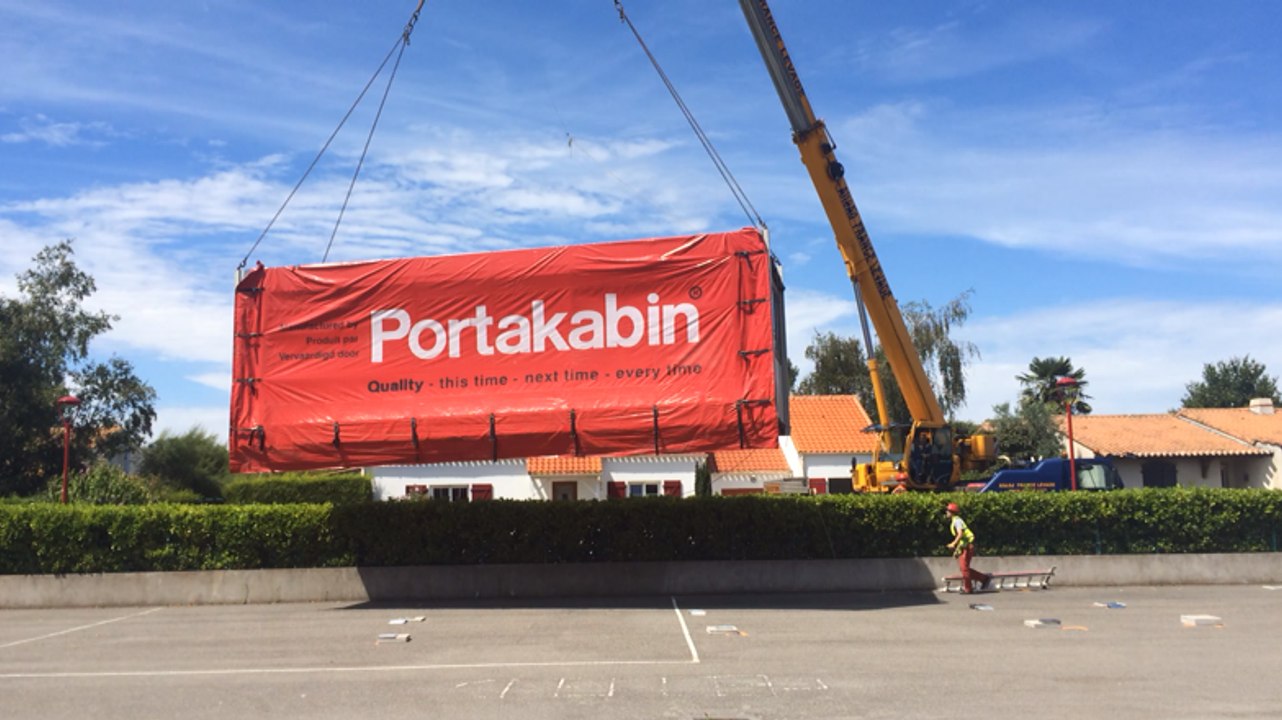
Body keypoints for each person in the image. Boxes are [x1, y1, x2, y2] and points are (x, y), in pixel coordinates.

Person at [945, 502, 991, 594]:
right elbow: (961, 538)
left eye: (947, 511)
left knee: (964, 568)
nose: (946, 512)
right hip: (964, 546)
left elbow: (960, 533)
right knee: (964, 568)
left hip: (967, 547)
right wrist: (957, 550)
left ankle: (969, 588)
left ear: (952, 512)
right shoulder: (955, 521)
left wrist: (953, 543)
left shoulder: (957, 521)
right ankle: (983, 578)